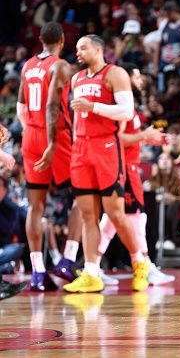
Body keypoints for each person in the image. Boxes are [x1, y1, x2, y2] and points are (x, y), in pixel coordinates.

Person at [65, 34, 148, 293]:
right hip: (81, 148)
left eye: (83, 47)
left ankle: (139, 262)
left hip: (107, 147)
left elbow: (126, 112)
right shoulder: (76, 78)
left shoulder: (116, 74)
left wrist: (94, 106)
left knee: (115, 213)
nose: (78, 52)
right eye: (76, 48)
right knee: (88, 214)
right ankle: (92, 273)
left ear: (98, 49)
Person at [16, 22, 83, 291]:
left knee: (36, 205)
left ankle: (37, 273)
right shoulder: (61, 65)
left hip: (29, 134)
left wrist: (30, 132)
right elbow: (52, 106)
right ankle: (67, 260)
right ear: (62, 40)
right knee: (82, 196)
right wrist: (52, 142)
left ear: (40, 40)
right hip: (54, 135)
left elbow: (21, 107)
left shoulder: (28, 66)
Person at [96, 106, 175, 287]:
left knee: (113, 221)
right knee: (135, 221)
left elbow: (131, 139)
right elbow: (117, 139)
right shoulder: (121, 109)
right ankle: (145, 265)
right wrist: (145, 136)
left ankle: (93, 266)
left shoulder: (129, 109)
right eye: (137, 78)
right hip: (124, 169)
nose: (141, 80)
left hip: (127, 167)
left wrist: (150, 140)